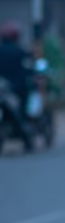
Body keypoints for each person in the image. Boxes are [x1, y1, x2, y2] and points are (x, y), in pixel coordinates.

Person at [0, 21, 34, 150]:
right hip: (17, 89)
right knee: (24, 105)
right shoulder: (20, 52)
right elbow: (29, 69)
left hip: (4, 90)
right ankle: (26, 131)